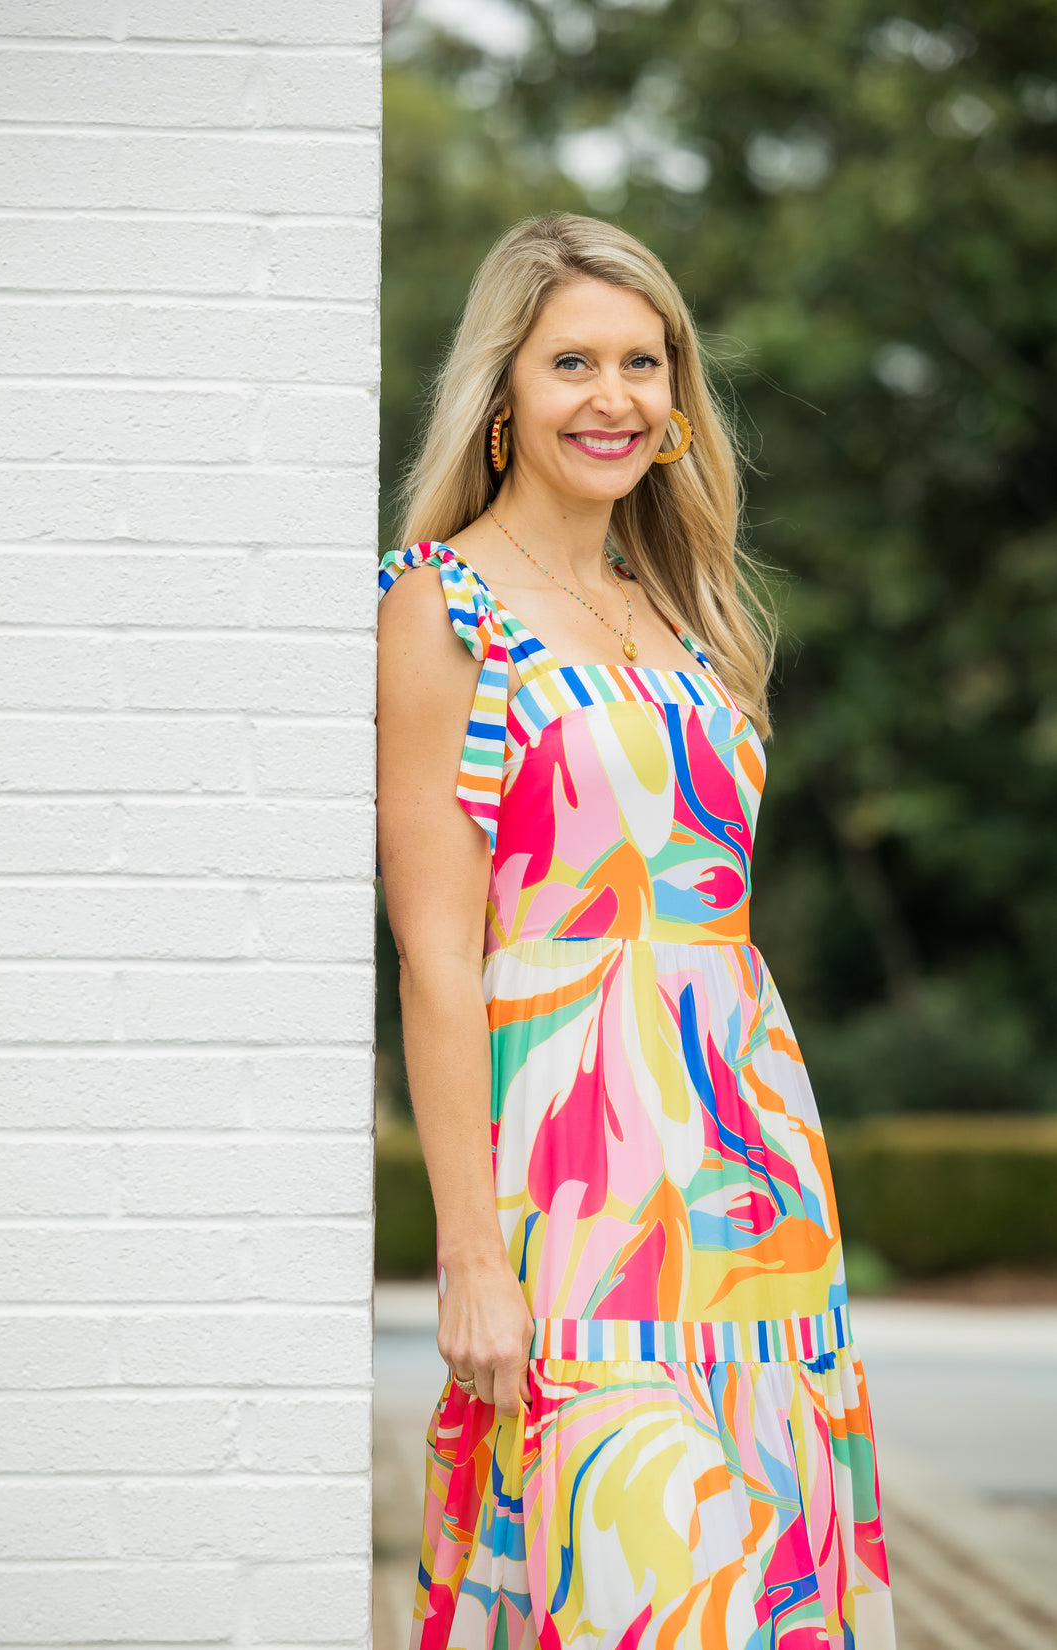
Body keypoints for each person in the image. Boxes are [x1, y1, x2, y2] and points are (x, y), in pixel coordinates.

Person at [375, 212, 895, 1650]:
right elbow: (436, 949)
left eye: (644, 363)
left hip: (753, 1162)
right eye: (571, 363)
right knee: (635, 1570)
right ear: (502, 396)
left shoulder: (687, 608)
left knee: (766, 1584)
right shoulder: (438, 609)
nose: (614, 396)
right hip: (576, 1170)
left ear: (676, 402)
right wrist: (469, 1247)